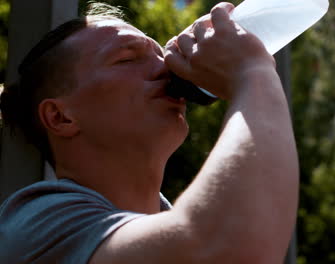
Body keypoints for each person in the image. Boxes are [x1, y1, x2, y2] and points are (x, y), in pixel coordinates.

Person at [0, 2, 298, 263]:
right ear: (60, 117)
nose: (166, 67)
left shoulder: (169, 222)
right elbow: (222, 252)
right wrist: (253, 71)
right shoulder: (38, 224)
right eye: (127, 59)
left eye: (160, 54)